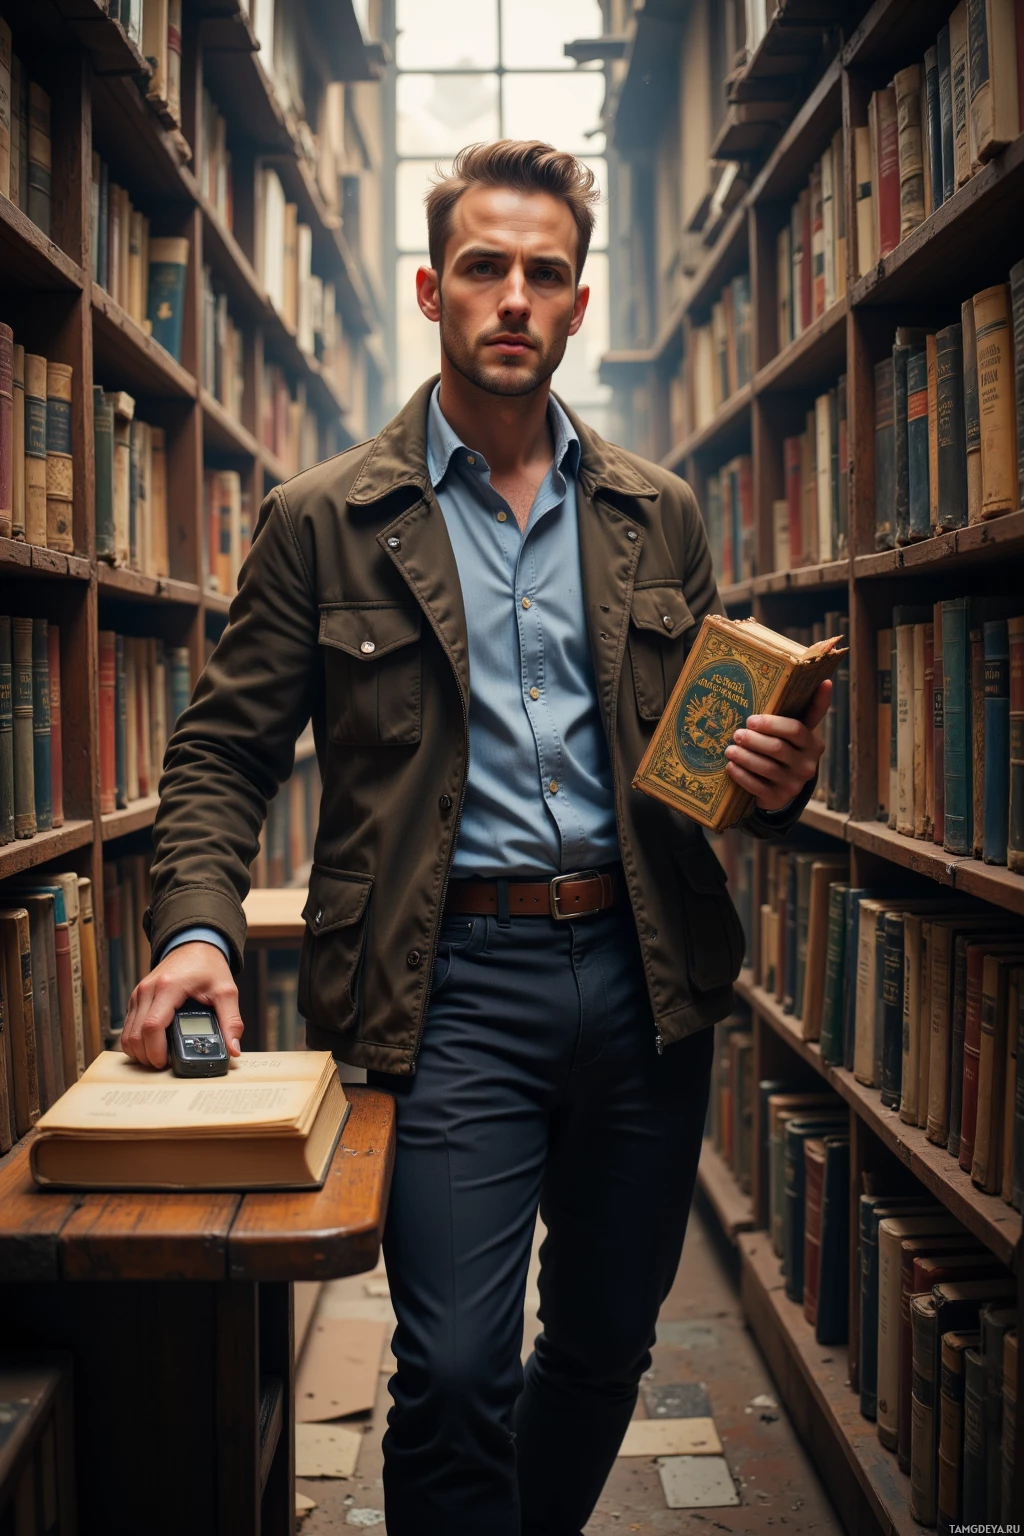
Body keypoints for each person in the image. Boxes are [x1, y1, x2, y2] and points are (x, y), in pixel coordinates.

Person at [123, 141, 829, 1535]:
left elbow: (715, 771)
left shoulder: (657, 517)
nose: (516, 296)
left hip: (645, 978)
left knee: (604, 1348)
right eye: (488, 268)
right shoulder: (325, 520)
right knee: (450, 1372)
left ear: (580, 305)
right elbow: (221, 754)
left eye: (545, 274)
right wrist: (197, 929)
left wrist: (780, 778)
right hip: (450, 991)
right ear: (435, 289)